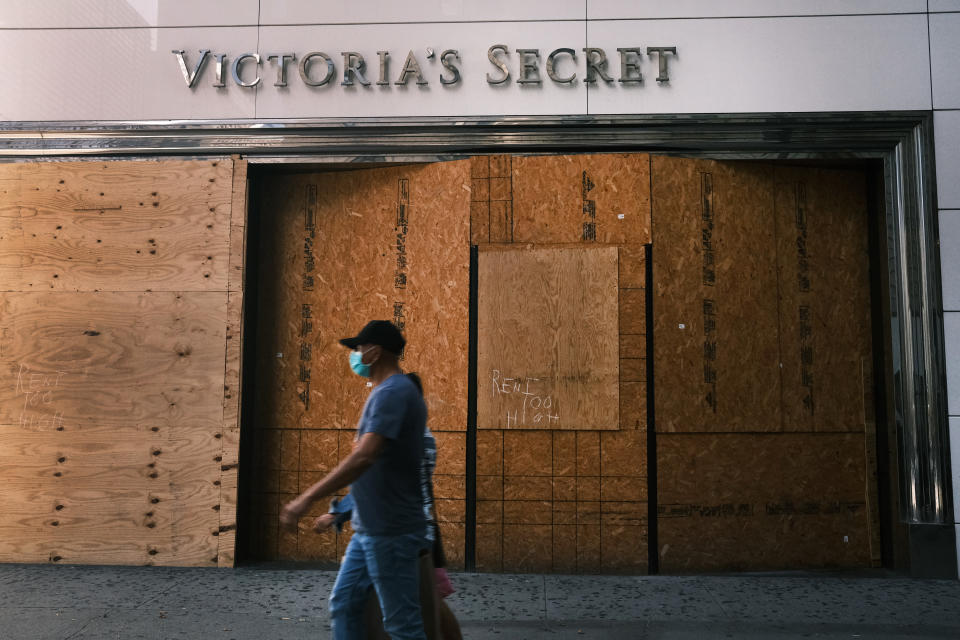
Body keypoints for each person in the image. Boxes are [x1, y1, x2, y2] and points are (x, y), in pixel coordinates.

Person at [280, 320, 428, 640]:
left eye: (360, 348)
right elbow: (373, 465)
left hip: (389, 529)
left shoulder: (393, 392)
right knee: (345, 604)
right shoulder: (391, 392)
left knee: (403, 625)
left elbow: (365, 458)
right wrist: (341, 511)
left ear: (376, 352)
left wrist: (306, 498)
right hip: (371, 526)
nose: (357, 355)